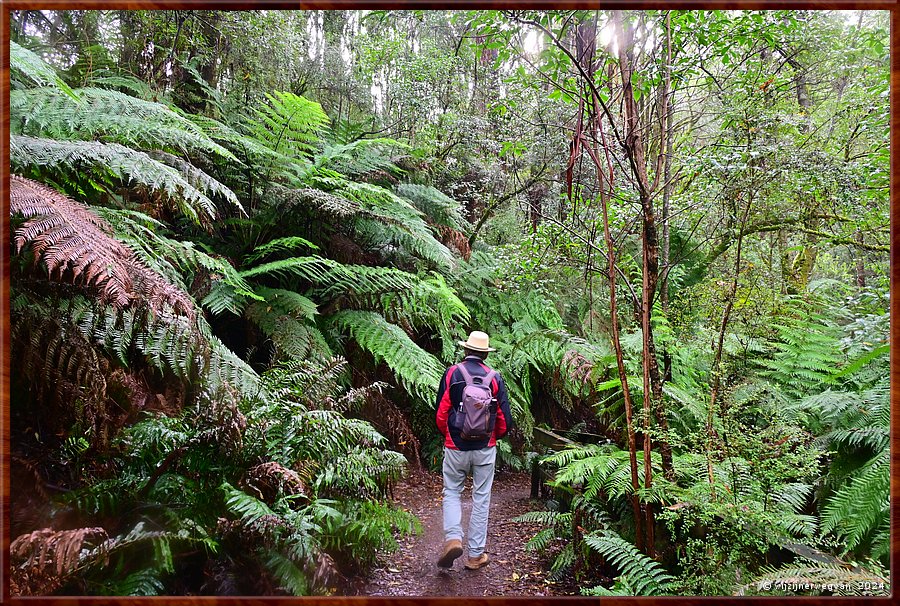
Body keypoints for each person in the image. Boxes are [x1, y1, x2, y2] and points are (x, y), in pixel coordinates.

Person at [434, 330, 513, 570]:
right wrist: (492, 436)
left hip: (456, 445)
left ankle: (453, 539)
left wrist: (450, 434)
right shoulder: (495, 378)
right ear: (485, 355)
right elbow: (504, 420)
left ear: (466, 350)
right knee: (481, 498)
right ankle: (475, 555)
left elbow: (441, 412)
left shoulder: (453, 374)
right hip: (485, 448)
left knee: (452, 492)